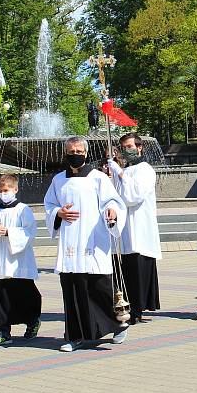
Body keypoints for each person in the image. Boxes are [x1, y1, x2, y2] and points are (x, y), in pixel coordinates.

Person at [44, 136, 129, 352]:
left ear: (86, 153)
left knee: (99, 287)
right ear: (65, 153)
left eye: (79, 151)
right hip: (70, 242)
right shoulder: (58, 180)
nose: (75, 155)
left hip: (93, 239)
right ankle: (75, 336)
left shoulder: (98, 177)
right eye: (71, 151)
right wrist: (58, 213)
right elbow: (49, 205)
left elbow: (113, 201)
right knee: (72, 290)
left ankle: (118, 325)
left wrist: (112, 212)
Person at [0, 174, 41, 347]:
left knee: (24, 295)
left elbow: (30, 232)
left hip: (18, 261)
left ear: (15, 189)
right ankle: (3, 331)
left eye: (6, 190)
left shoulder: (23, 209)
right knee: (0, 296)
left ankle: (32, 322)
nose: (3, 193)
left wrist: (9, 232)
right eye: (0, 191)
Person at [106, 132, 161, 324]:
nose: (127, 150)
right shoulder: (124, 170)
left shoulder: (145, 169)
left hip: (139, 228)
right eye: (124, 147)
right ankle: (124, 305)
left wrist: (120, 174)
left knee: (137, 269)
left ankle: (137, 309)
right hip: (123, 228)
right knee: (125, 271)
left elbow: (132, 196)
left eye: (130, 146)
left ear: (139, 147)